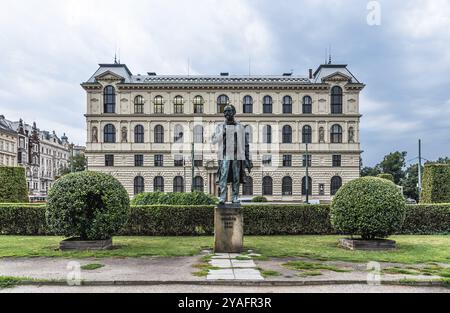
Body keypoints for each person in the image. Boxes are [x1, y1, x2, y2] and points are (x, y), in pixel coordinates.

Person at [212, 105, 253, 205]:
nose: (227, 114)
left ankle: (235, 197)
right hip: (225, 155)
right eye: (225, 112)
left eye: (229, 111)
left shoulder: (240, 127)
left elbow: (245, 144)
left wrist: (248, 159)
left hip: (237, 155)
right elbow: (214, 140)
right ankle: (222, 197)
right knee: (223, 176)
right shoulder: (220, 126)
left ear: (234, 112)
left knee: (236, 177)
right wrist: (223, 132)